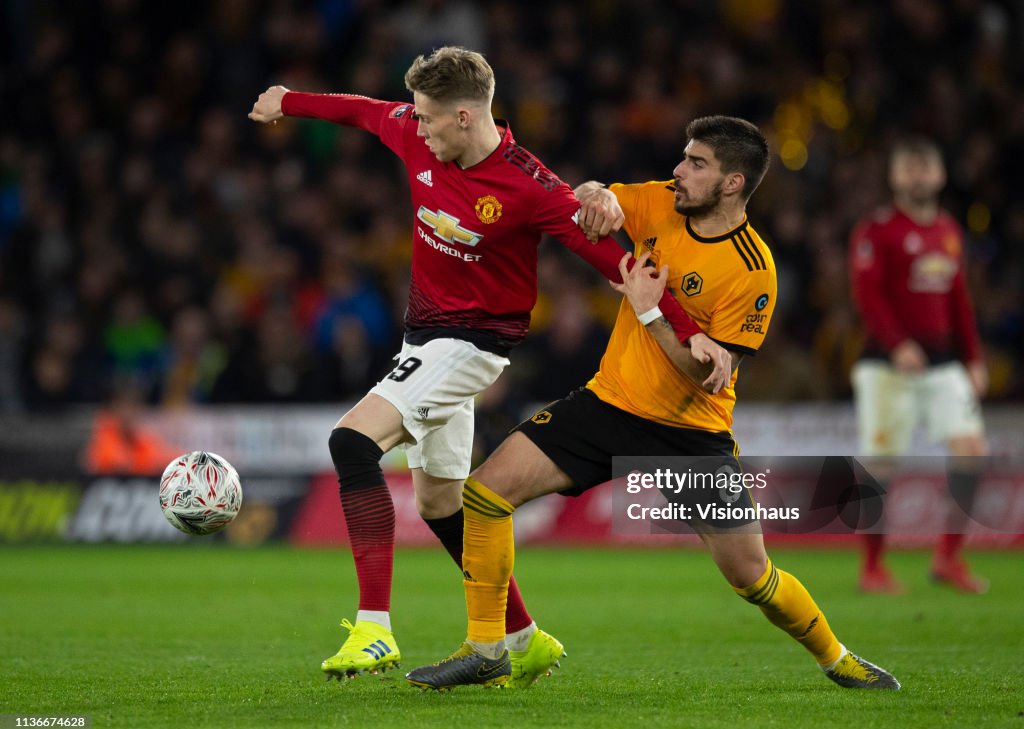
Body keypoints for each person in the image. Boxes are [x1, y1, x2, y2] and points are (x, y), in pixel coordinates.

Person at [248, 47, 732, 685]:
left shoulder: (530, 185)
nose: (416, 127)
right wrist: (290, 100)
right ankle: (525, 638)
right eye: (416, 117)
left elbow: (618, 263)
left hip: (474, 347)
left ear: (468, 117)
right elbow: (364, 113)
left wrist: (690, 329)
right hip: (421, 342)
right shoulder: (418, 135)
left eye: (427, 119)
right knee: (442, 503)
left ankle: (373, 630)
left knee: (350, 442)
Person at [406, 116, 901, 691]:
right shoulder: (661, 201)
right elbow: (595, 199)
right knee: (486, 495)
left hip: (689, 434)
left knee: (752, 577)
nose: (678, 170)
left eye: (696, 163)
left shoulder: (753, 269)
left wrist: (649, 311)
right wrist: (593, 197)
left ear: (733, 183)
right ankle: (487, 648)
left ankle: (837, 657)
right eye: (683, 157)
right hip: (608, 403)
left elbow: (709, 376)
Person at [849, 136, 989, 594]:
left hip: (943, 362)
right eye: (908, 168)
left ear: (940, 175)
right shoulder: (878, 229)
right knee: (882, 465)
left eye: (924, 167)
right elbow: (868, 296)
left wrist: (974, 357)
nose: (917, 176)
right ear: (894, 177)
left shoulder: (948, 230)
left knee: (972, 451)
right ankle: (873, 568)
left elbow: (958, 299)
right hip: (886, 364)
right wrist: (896, 343)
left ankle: (948, 558)